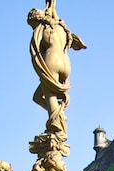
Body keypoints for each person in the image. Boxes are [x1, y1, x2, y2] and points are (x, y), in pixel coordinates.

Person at [28, 0, 85, 136]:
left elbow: (37, 50)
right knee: (37, 97)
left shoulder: (42, 29)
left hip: (52, 59)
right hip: (66, 64)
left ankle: (56, 123)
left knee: (50, 96)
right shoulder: (59, 25)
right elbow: (52, 7)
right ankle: (59, 113)